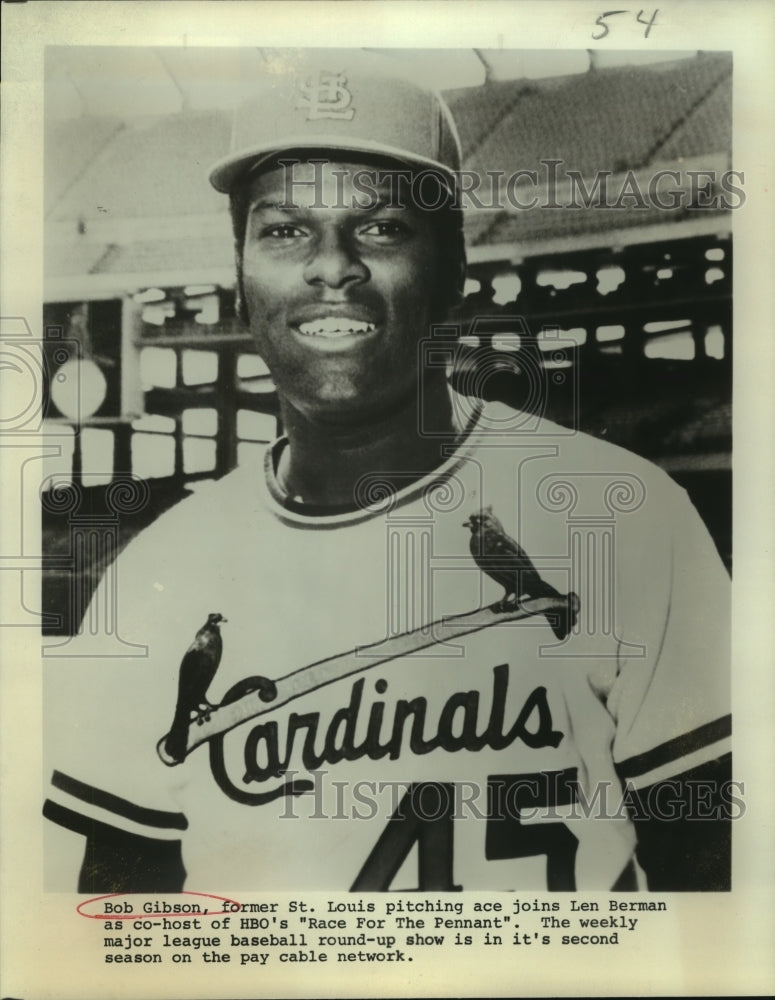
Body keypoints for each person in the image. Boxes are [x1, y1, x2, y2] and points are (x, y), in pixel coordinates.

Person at [43, 51, 731, 894]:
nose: (331, 265)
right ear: (239, 281)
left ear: (451, 274)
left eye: (381, 227)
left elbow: (717, 874)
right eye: (285, 230)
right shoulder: (159, 574)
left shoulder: (621, 516)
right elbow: (114, 912)